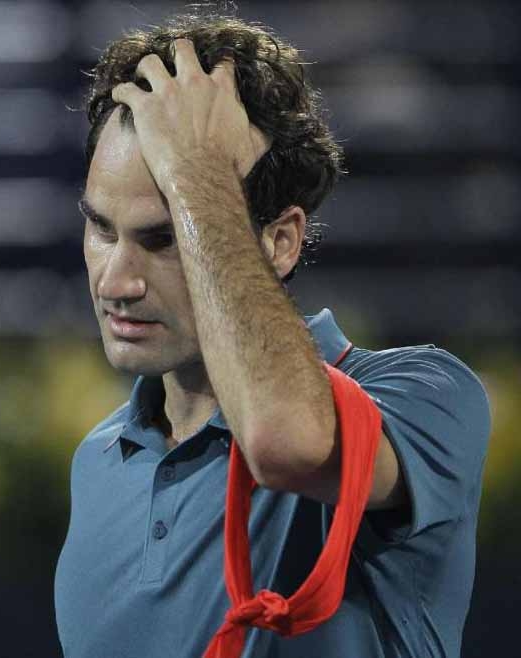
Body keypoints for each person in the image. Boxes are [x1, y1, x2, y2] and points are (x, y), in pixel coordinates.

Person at [53, 8, 492, 658]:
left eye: (165, 236)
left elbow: (286, 442)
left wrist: (197, 171)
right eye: (102, 228)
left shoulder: (427, 395)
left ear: (280, 240)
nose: (117, 281)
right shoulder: (98, 459)